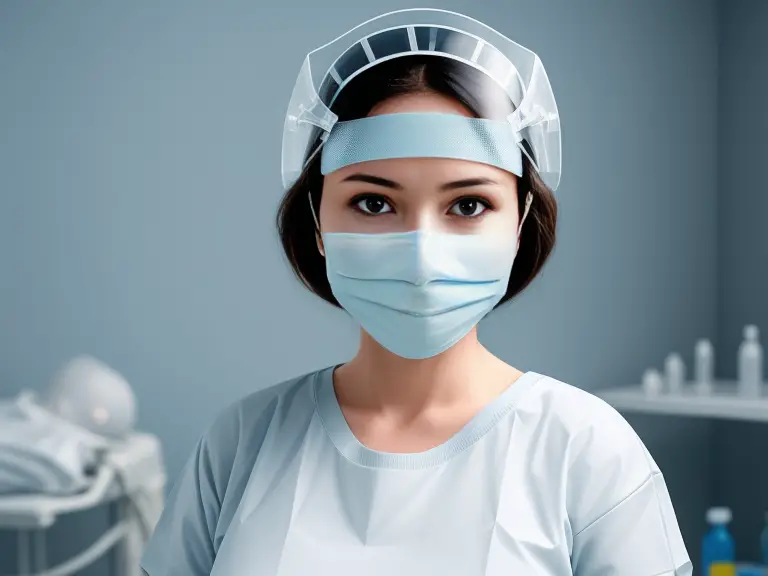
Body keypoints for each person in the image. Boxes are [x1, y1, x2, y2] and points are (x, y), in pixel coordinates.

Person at [141, 9, 692, 576]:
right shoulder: (241, 444)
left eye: (468, 205)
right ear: (317, 220)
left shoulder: (586, 449)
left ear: (520, 220)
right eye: (374, 203)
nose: (422, 255)